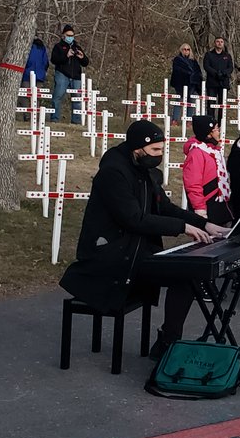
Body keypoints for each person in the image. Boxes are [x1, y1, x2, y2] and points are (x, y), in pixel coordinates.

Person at [60, 120, 230, 356]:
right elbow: (133, 219)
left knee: (189, 273)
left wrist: (205, 224)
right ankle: (167, 345)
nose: (159, 155)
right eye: (155, 150)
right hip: (113, 255)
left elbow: (165, 207)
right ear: (137, 148)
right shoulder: (113, 173)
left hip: (136, 249)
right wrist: (183, 227)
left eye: (162, 150)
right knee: (185, 274)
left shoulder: (145, 170)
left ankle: (168, 340)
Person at [181, 115, 232, 225]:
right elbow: (193, 184)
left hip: (219, 204)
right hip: (207, 205)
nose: (219, 132)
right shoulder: (196, 153)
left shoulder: (213, 151)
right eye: (216, 129)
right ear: (208, 134)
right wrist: (200, 210)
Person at [49, 24, 88, 124]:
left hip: (76, 76)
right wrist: (66, 56)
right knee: (57, 96)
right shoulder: (58, 47)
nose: (70, 37)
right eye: (68, 35)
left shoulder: (77, 47)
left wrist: (82, 57)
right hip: (62, 74)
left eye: (72, 35)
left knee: (77, 100)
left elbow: (86, 63)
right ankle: (54, 119)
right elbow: (54, 60)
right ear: (63, 35)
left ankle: (76, 121)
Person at [169, 43, 203, 122]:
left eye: (188, 49)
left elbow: (198, 72)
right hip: (181, 84)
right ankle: (175, 119)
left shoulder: (193, 61)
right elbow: (177, 70)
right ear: (181, 50)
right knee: (178, 101)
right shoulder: (177, 59)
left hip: (192, 84)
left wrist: (195, 78)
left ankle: (189, 120)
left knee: (191, 102)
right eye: (184, 49)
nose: (186, 51)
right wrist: (188, 73)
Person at [202, 37, 233, 109]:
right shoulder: (209, 54)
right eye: (218, 41)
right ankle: (210, 116)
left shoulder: (227, 55)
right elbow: (206, 66)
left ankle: (221, 117)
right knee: (211, 104)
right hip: (212, 83)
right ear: (214, 43)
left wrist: (223, 73)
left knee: (222, 104)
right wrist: (216, 73)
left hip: (224, 83)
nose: (219, 43)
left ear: (223, 44)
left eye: (221, 42)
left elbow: (230, 68)